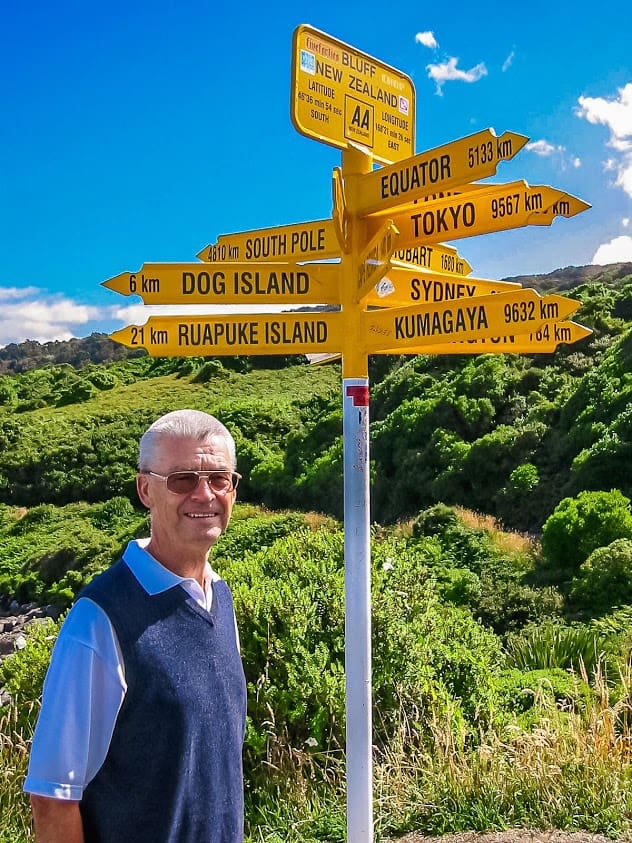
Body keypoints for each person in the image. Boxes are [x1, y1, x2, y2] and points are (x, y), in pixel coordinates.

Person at [24, 409, 247, 843]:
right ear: (146, 489)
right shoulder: (99, 619)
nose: (205, 494)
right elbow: (53, 799)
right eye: (183, 479)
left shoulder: (220, 599)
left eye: (219, 478)